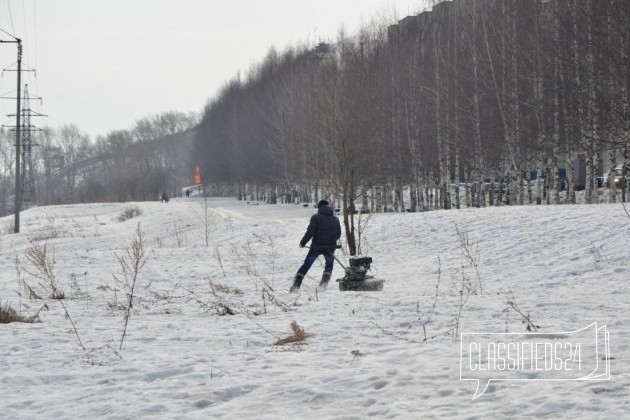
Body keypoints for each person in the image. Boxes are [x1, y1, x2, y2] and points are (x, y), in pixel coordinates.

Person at [290, 199, 342, 292]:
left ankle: (295, 287)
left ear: (319, 208)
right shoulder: (335, 219)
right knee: (329, 266)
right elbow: (338, 235)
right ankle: (323, 286)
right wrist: (330, 241)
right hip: (330, 247)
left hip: (316, 247)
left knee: (306, 265)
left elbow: (310, 232)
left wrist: (303, 243)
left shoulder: (316, 217)